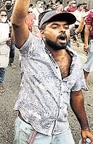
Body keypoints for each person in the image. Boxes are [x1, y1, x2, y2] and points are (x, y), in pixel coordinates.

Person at [12, 0, 93, 143]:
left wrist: (85, 127)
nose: (62, 30)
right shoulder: (31, 48)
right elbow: (17, 23)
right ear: (42, 33)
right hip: (33, 130)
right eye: (55, 26)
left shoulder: (75, 60)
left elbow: (77, 95)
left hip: (62, 129)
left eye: (66, 27)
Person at [83, 9, 93, 89]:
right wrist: (86, 43)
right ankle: (84, 79)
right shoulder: (92, 14)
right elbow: (87, 28)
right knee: (90, 61)